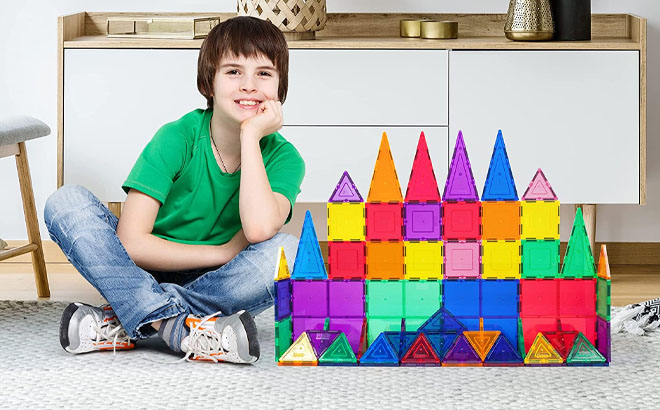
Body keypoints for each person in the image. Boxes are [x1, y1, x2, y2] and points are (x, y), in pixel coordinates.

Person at [44, 16, 304, 364]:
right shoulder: (177, 137)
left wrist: (251, 137)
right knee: (66, 202)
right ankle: (181, 330)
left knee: (287, 252)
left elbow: (258, 230)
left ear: (279, 87)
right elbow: (131, 243)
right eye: (233, 72)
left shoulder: (285, 158)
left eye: (264, 73)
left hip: (220, 281)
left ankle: (129, 316)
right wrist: (222, 252)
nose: (249, 85)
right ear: (208, 82)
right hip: (145, 268)